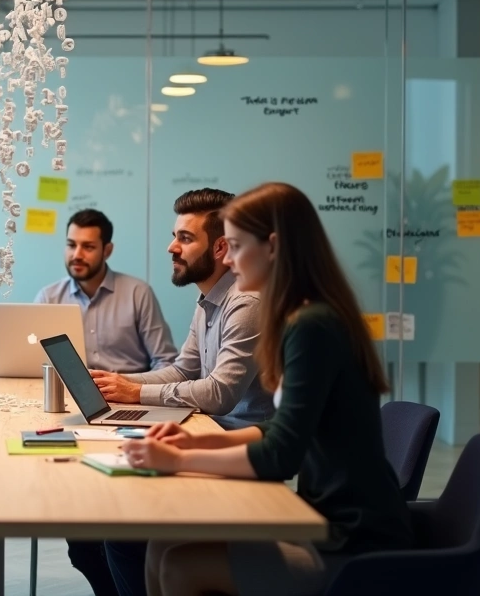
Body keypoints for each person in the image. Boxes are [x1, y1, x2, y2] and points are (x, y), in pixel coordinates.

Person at [121, 182, 413, 596]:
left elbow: (280, 457)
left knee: (181, 567)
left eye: (237, 246)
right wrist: (191, 445)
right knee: (162, 545)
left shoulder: (312, 326)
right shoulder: (302, 316)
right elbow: (279, 428)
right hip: (323, 518)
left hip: (352, 542)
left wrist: (174, 461)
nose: (232, 261)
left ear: (272, 246)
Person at [70, 189, 276, 596]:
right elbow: (184, 369)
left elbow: (220, 393)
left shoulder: (245, 303)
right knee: (104, 532)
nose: (172, 246)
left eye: (184, 238)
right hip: (210, 437)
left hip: (236, 452)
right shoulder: (209, 300)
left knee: (121, 536)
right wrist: (120, 386)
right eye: (174, 235)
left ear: (219, 248)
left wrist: (135, 394)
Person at [35, 208, 177, 374]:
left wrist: (135, 389)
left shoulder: (138, 294)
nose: (77, 255)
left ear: (107, 251)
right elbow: (34, 361)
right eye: (71, 245)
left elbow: (165, 361)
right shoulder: (48, 297)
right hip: (67, 394)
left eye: (88, 247)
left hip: (128, 393)